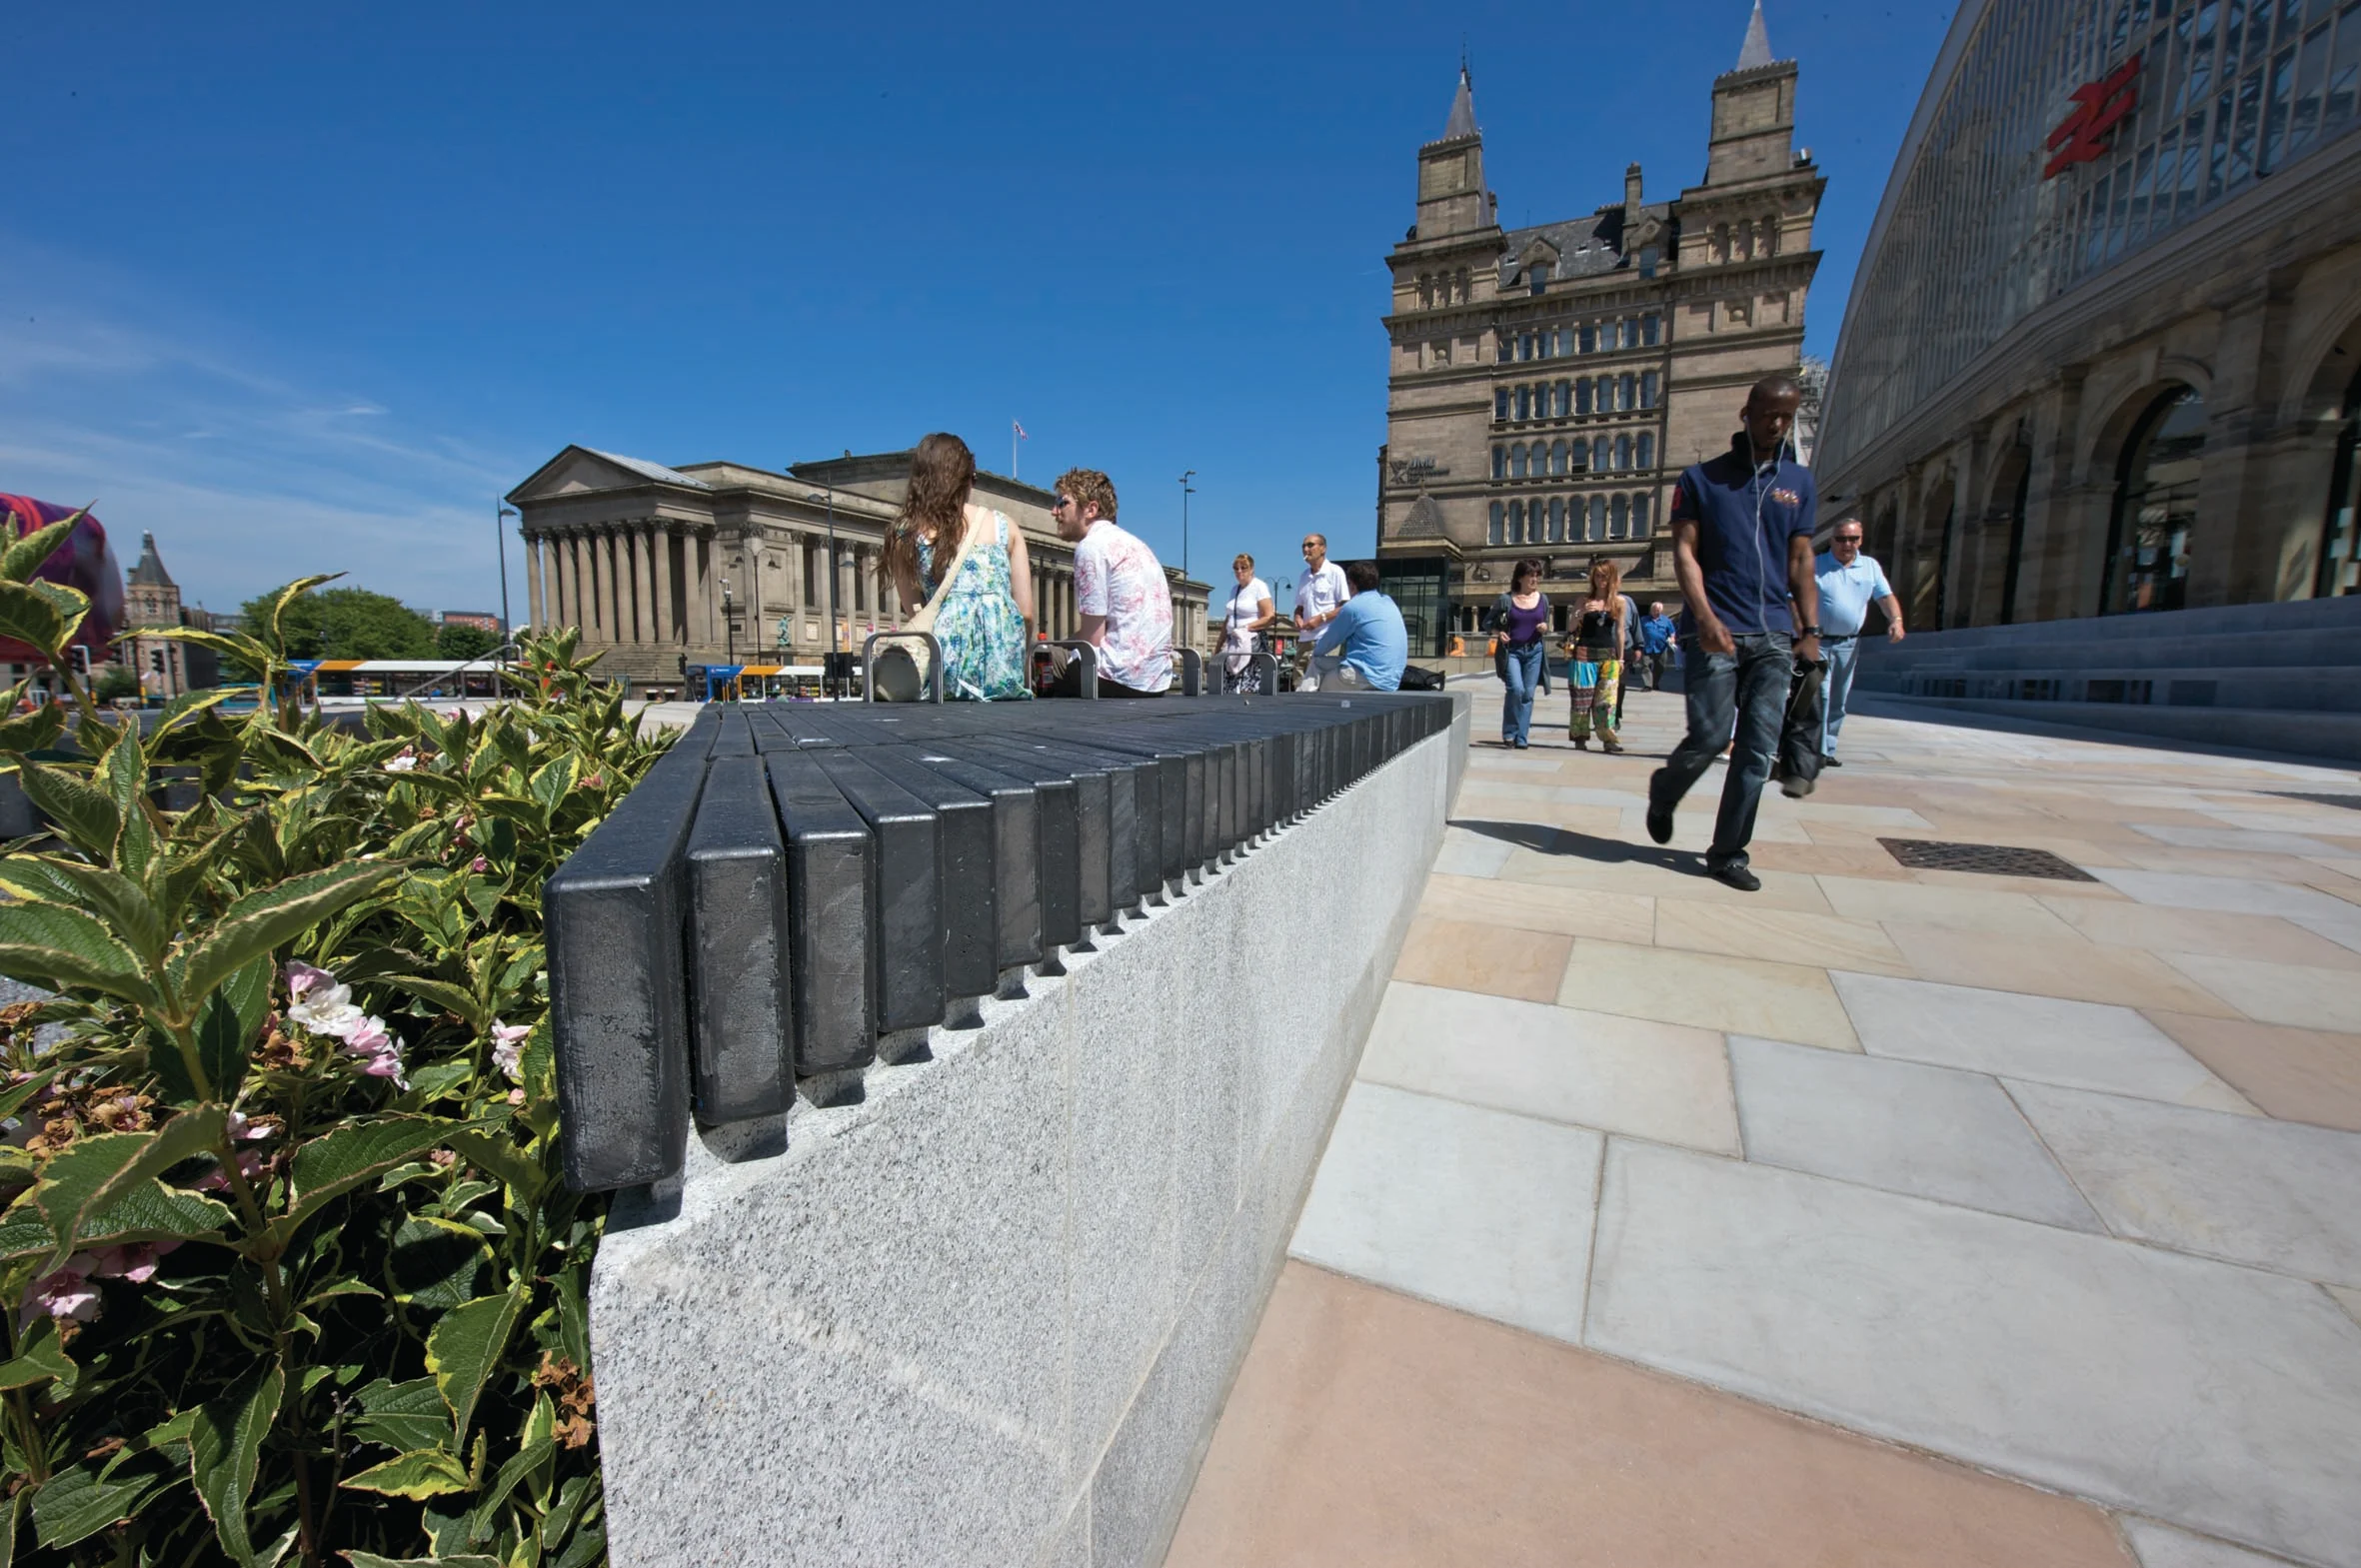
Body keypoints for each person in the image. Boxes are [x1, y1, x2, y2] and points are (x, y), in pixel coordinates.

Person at [1646, 373, 1822, 892]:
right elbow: (1684, 552)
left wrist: (1811, 629)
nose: (1777, 424)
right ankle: (1666, 788)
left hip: (1773, 633)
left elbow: (1801, 559)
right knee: (1710, 736)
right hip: (1714, 627)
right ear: (1747, 414)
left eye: (1786, 416)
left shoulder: (1798, 484)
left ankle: (1727, 853)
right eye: (1768, 414)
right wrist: (1703, 617)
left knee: (1755, 750)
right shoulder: (1701, 480)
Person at [877, 433, 1036, 701]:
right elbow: (1026, 614)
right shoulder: (1005, 526)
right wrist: (1018, 662)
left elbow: (915, 610)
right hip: (1002, 672)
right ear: (967, 479)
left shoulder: (907, 533)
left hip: (944, 670)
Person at [1048, 468, 1173, 697]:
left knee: (1040, 660)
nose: (1054, 511)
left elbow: (1092, 640)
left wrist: (1052, 646)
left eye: (1062, 503)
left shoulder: (1091, 547)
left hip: (1115, 678)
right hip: (1156, 682)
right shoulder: (1136, 544)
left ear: (1091, 509)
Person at [1813, 517, 1906, 767]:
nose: (1847, 544)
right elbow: (1794, 598)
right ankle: (1817, 750)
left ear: (1861, 540)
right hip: (1818, 642)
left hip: (1849, 644)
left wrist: (1896, 620)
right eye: (1841, 539)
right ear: (1832, 540)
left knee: (1838, 699)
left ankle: (1828, 748)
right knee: (1821, 696)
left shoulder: (1870, 567)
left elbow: (1885, 596)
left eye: (1853, 539)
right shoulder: (1816, 564)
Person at [1560, 559, 1630, 753]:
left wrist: (1621, 657)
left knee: (1607, 701)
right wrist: (1581, 613)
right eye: (1598, 576)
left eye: (1605, 576)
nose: (1601, 580)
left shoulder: (1618, 602)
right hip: (1583, 654)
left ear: (1612, 578)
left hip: (1608, 655)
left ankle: (1608, 739)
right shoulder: (1583, 600)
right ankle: (1580, 737)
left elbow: (1620, 631)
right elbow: (1571, 628)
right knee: (1581, 700)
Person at [1310, 560, 1407, 691]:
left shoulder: (1353, 606)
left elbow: (1327, 643)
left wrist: (1314, 652)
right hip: (1391, 679)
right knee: (1321, 664)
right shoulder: (1388, 602)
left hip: (1368, 675)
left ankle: (1302, 701)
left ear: (1352, 584)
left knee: (1320, 673)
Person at [1491, 559, 1550, 749]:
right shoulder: (1506, 599)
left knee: (1528, 694)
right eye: (1531, 575)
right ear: (1519, 578)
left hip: (1535, 651)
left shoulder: (1543, 599)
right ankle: (1509, 732)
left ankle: (1522, 737)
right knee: (1516, 689)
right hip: (1513, 651)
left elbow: (1546, 623)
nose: (1535, 579)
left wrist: (1545, 627)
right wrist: (1499, 633)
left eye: (1537, 575)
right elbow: (1488, 622)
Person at [1293, 534, 1350, 691]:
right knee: (1299, 682)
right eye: (1303, 546)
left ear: (1323, 548)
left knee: (1322, 684)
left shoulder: (1335, 572)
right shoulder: (1304, 576)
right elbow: (1299, 606)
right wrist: (1297, 616)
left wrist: (1321, 618)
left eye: (1310, 545)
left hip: (1326, 637)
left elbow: (1345, 607)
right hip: (1304, 639)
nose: (1306, 549)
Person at [1220, 554, 1276, 694]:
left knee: (1248, 686)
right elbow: (1228, 619)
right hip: (1233, 642)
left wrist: (1246, 628)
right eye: (1236, 568)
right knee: (1230, 688)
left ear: (1252, 569)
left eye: (1243, 567)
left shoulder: (1259, 586)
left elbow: (1270, 617)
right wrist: (1218, 646)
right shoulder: (1234, 589)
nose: (1239, 571)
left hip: (1251, 642)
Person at [1638, 602, 1677, 692]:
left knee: (1660, 667)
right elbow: (1638, 631)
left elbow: (1672, 632)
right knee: (1645, 665)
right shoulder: (1643, 620)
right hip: (1646, 646)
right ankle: (1648, 685)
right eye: (1655, 610)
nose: (1657, 612)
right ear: (1651, 610)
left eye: (1659, 611)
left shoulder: (1666, 620)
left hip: (1661, 647)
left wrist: (1672, 638)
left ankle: (1655, 683)